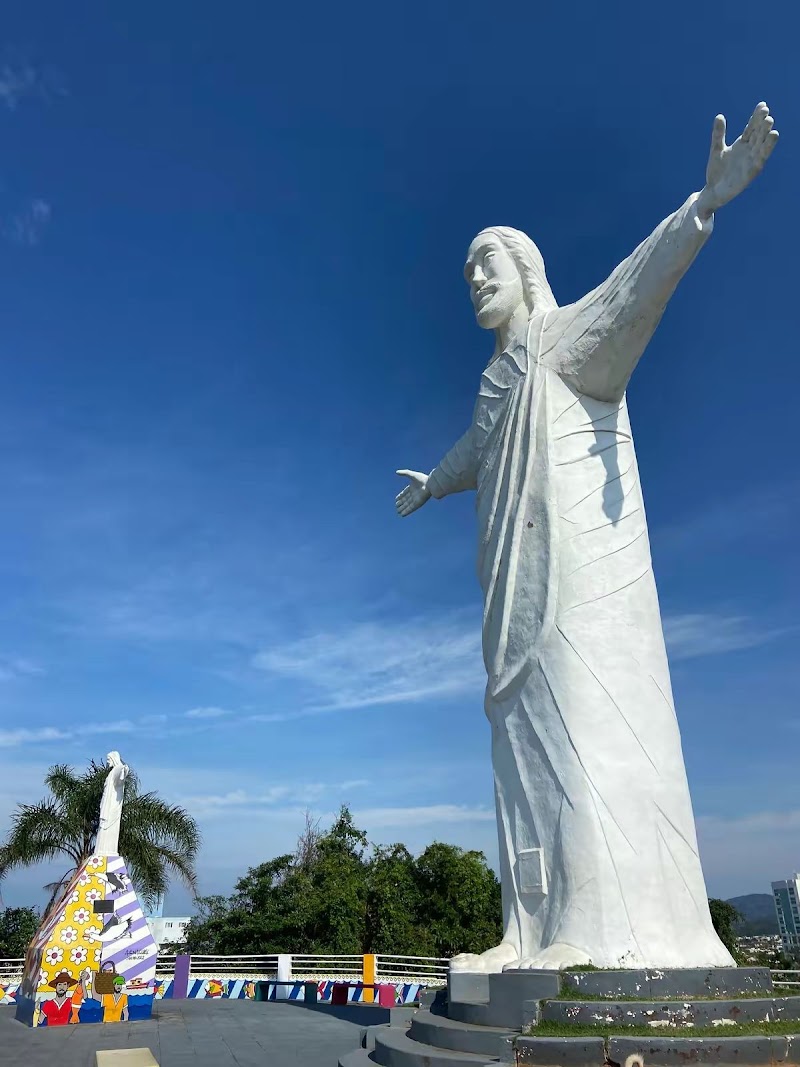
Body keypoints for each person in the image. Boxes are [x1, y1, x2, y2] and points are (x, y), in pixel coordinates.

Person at [396, 103, 778, 971]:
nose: (473, 278)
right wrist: (435, 482)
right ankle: (526, 927)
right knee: (520, 749)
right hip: (509, 600)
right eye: (465, 271)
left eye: (486, 262)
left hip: (573, 594)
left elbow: (634, 287)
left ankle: (591, 922)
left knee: (580, 733)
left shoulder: (563, 341)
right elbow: (476, 449)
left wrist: (702, 207)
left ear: (525, 270)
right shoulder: (494, 385)